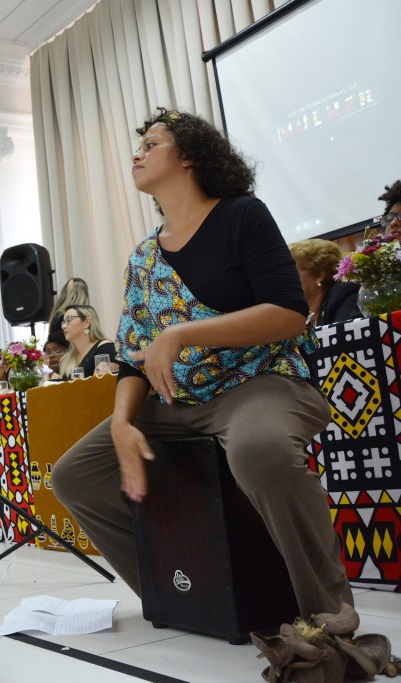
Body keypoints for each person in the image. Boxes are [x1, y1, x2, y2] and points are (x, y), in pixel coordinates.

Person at [52, 107, 352, 621]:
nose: (136, 154)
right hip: (175, 402)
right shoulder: (144, 258)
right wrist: (123, 423)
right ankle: (186, 593)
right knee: (75, 475)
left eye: (151, 144)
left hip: (261, 384)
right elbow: (130, 358)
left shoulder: (242, 215)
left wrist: (183, 332)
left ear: (189, 156)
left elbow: (288, 312)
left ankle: (327, 615)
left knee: (261, 451)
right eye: (138, 145)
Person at [289, 239, 361, 326]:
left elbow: (340, 335)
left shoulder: (344, 294)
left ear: (319, 275)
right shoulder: (295, 311)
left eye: (292, 273)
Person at [56, 304, 116, 378]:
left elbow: (103, 385)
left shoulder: (106, 348)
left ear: (87, 322)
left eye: (69, 320)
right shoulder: (66, 359)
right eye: (63, 322)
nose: (63, 326)